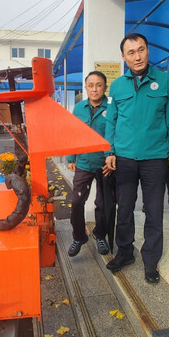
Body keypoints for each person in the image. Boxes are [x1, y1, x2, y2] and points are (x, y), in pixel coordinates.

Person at [104, 33, 169, 283]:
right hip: (124, 158)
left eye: (141, 50)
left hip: (155, 158)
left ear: (148, 50)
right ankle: (125, 253)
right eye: (131, 52)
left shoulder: (165, 81)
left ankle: (151, 260)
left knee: (154, 211)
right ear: (123, 57)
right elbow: (111, 121)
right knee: (125, 209)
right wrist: (109, 152)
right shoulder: (117, 86)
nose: (137, 56)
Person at [66, 71, 115, 257]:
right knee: (77, 201)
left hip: (105, 165)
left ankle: (100, 235)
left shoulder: (112, 107)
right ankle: (79, 236)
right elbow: (73, 134)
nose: (95, 89)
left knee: (103, 203)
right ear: (86, 87)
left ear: (105, 87)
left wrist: (113, 157)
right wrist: (71, 158)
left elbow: (116, 134)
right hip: (84, 163)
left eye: (99, 85)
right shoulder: (79, 108)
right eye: (91, 85)